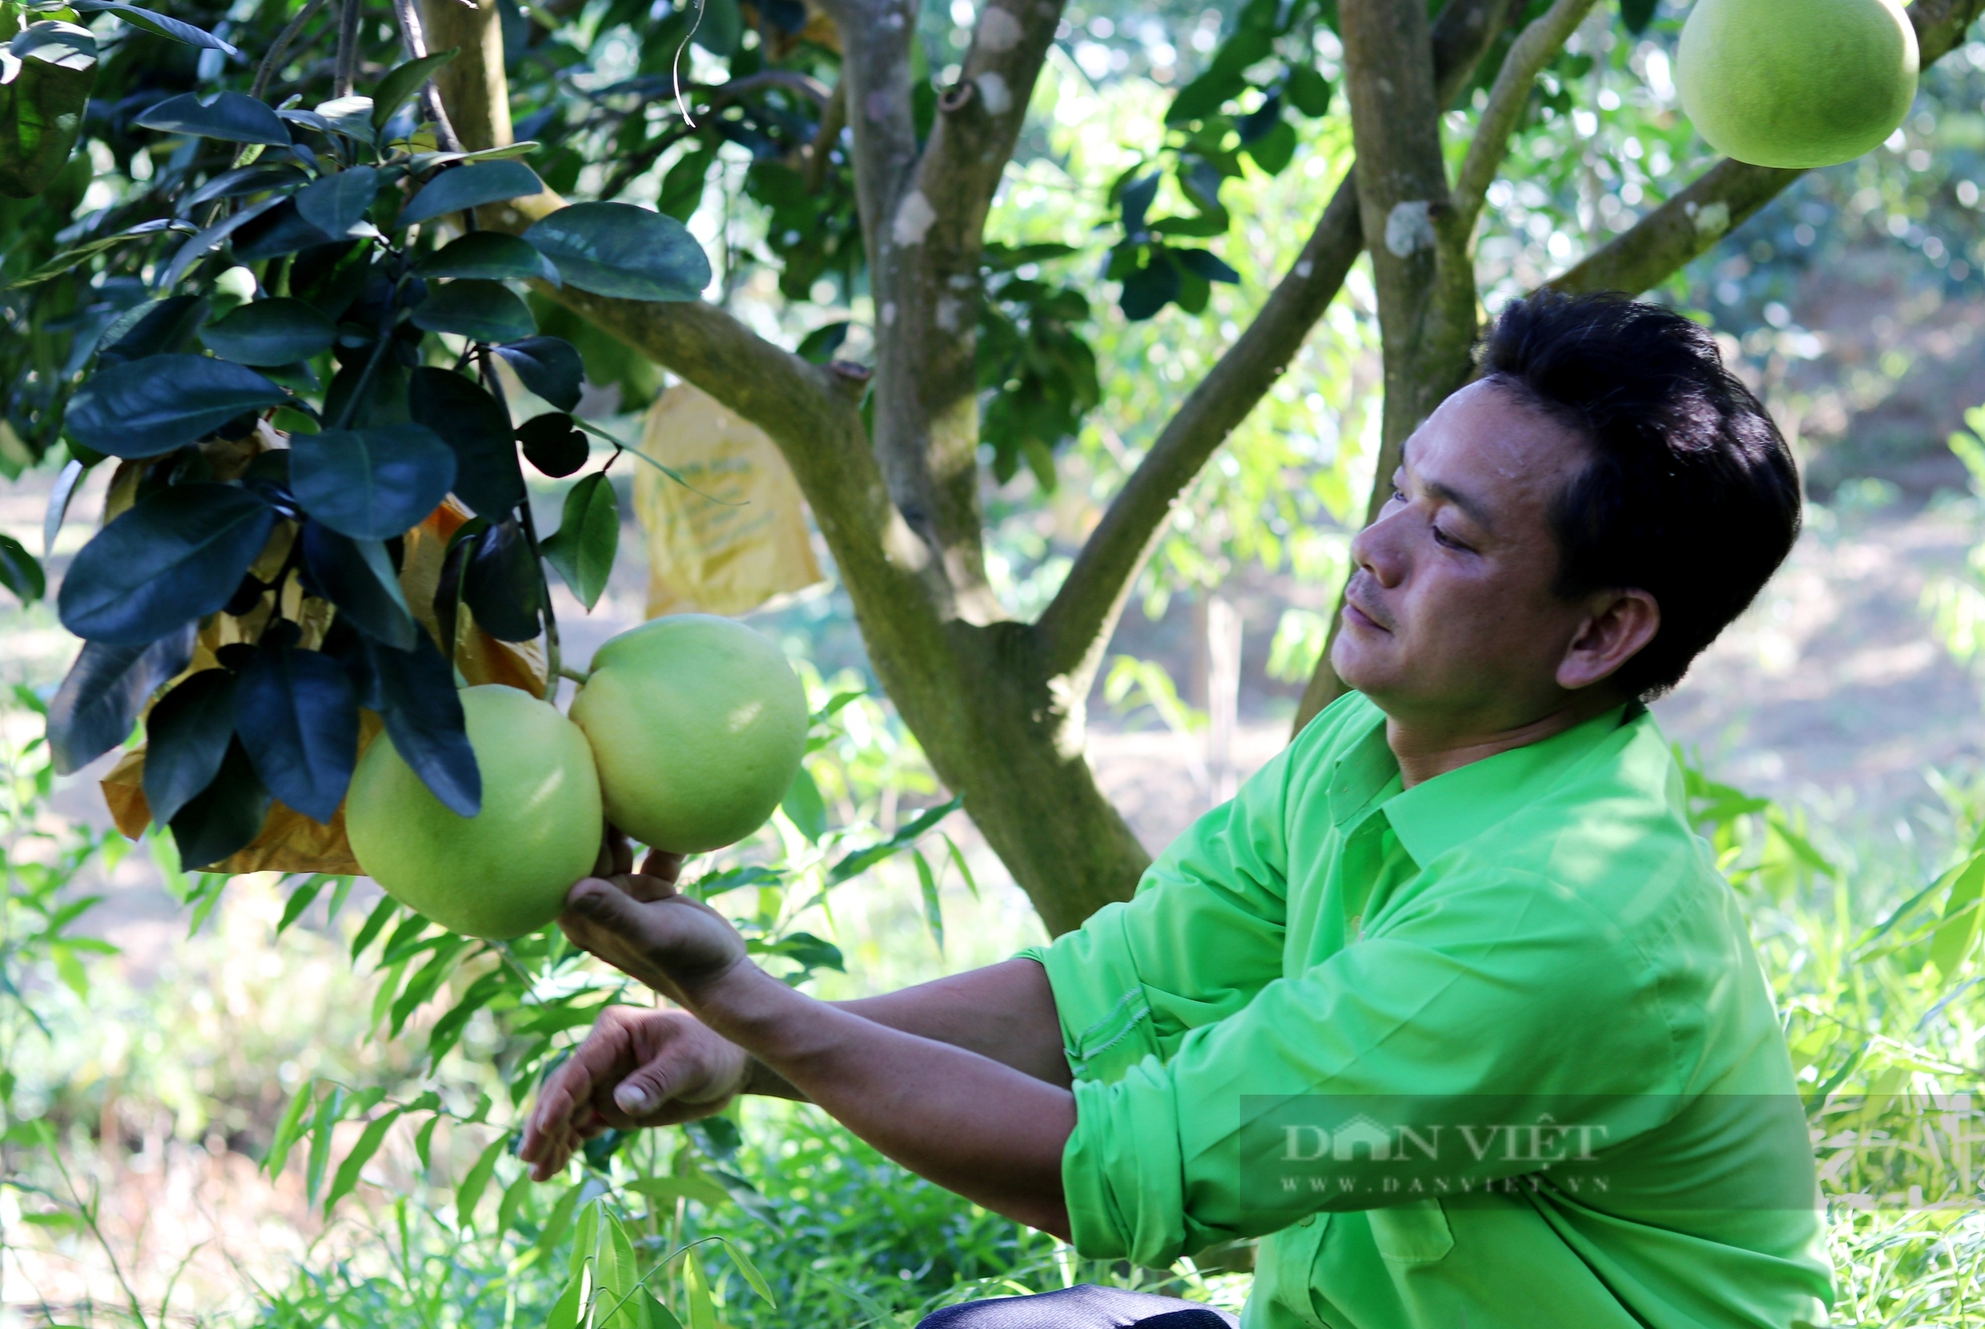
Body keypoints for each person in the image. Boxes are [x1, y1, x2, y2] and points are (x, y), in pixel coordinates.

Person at [517, 292, 1835, 1328]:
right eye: (1400, 493)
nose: (1378, 550)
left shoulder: (1562, 910)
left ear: (1604, 632)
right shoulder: (1369, 757)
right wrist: (745, 1049)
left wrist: (755, 1004)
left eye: (1457, 535)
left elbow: (1122, 1167)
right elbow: (1099, 998)